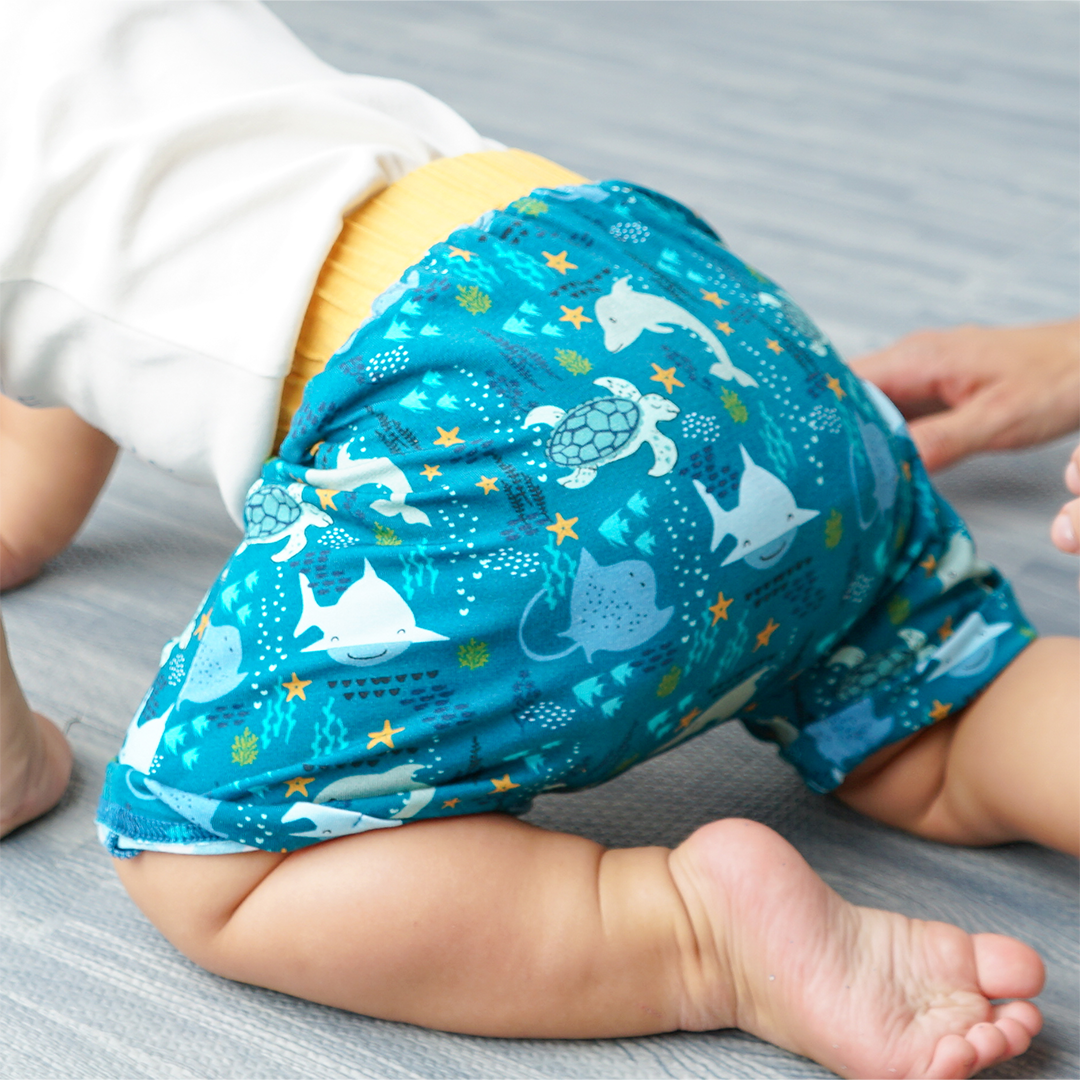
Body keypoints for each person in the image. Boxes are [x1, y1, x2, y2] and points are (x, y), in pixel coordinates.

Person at [1, 5, 1076, 1078]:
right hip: (670, 289)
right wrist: (25, 516)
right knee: (950, 710)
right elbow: (70, 267)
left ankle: (694, 935)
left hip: (479, 403)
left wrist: (18, 759)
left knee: (206, 851)